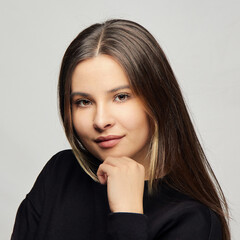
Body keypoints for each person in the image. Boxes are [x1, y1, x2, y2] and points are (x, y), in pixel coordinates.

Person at [11, 19, 230, 240]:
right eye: (84, 102)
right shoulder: (60, 175)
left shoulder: (193, 220)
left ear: (158, 100)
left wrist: (128, 213)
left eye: (121, 97)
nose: (101, 120)